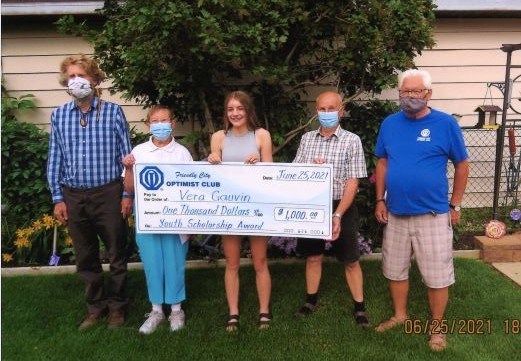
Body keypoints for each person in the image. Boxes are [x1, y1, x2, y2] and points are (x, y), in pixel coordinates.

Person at [374, 69, 469, 351]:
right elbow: (382, 162)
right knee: (395, 269)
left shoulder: (445, 124)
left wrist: (455, 204)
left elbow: (462, 165)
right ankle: (400, 315)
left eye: (416, 92)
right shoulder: (389, 124)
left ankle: (438, 329)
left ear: (428, 93)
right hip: (396, 213)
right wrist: (379, 199)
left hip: (433, 213)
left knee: (437, 274)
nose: (410, 97)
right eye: (405, 92)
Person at [47, 54, 133, 330]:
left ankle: (117, 308)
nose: (76, 81)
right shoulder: (59, 116)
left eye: (81, 75)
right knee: (85, 256)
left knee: (116, 253)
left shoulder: (113, 112)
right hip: (73, 195)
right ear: (65, 82)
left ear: (94, 80)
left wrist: (126, 194)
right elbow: (55, 158)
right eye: (71, 76)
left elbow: (126, 157)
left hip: (108, 192)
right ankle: (95, 308)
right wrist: (57, 197)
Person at [293, 90, 370, 327]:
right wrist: (311, 168)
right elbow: (295, 173)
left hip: (341, 205)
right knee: (313, 256)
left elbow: (353, 182)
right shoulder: (307, 139)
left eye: (332, 109)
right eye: (322, 109)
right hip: (313, 205)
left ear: (341, 110)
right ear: (317, 111)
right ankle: (310, 300)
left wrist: (338, 214)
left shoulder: (352, 140)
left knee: (350, 259)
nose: (327, 113)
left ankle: (359, 307)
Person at [122, 105, 193, 334]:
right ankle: (155, 310)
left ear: (172, 124)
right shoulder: (139, 151)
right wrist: (129, 168)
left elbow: (192, 187)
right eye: (155, 120)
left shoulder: (182, 153)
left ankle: (175, 309)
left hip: (175, 219)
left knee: (174, 262)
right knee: (152, 263)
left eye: (165, 120)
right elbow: (129, 188)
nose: (160, 124)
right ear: (148, 125)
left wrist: (190, 221)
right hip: (148, 218)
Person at [207, 90, 273, 331]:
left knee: (260, 261)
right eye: (230, 109)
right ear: (226, 113)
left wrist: (260, 162)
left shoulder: (262, 135)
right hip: (229, 209)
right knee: (232, 263)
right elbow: (215, 177)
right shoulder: (218, 137)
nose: (235, 113)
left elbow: (270, 175)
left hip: (255, 207)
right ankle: (233, 312)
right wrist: (213, 158)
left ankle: (264, 311)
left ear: (248, 110)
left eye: (240, 108)